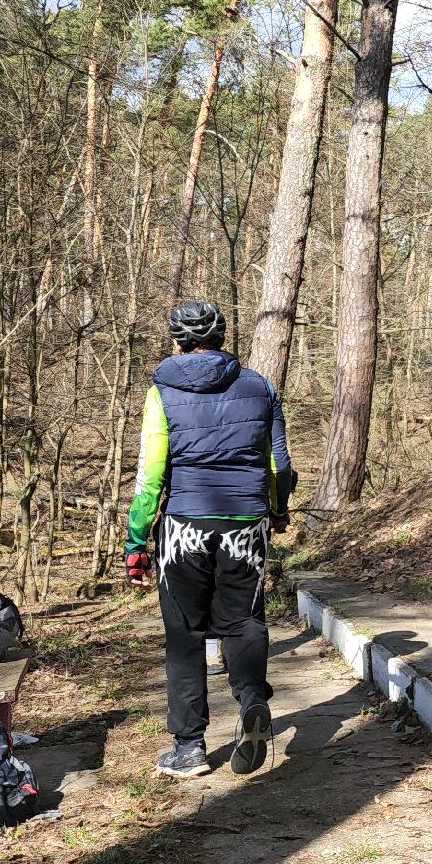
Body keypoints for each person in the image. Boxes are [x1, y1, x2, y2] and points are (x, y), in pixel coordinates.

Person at [125, 300, 295, 777]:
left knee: (184, 633)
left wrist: (136, 542)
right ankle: (252, 703)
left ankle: (189, 747)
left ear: (176, 341)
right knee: (241, 620)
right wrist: (277, 512)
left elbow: (150, 476)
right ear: (223, 338)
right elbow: (279, 465)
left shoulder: (161, 390)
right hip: (246, 522)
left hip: (184, 524)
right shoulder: (260, 386)